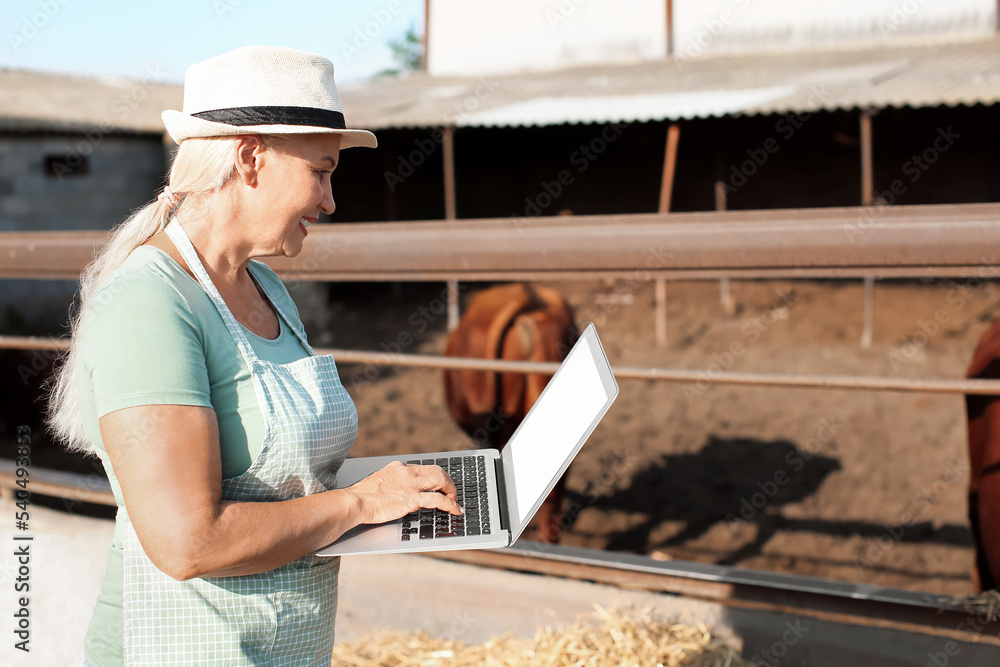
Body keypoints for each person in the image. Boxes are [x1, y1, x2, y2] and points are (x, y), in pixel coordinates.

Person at [47, 45, 463, 666]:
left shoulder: (264, 286)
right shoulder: (149, 306)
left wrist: (394, 490)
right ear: (248, 158)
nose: (329, 202)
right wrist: (361, 504)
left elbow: (283, 477)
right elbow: (188, 543)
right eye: (321, 172)